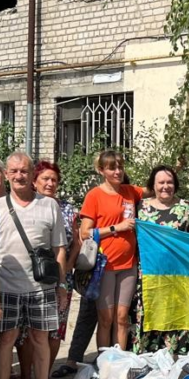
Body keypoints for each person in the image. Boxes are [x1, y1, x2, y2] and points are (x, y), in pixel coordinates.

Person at [0, 152, 69, 379]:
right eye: (14, 171)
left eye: (24, 171)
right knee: (6, 339)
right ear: (7, 175)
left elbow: (59, 248)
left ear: (32, 174)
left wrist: (61, 286)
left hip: (42, 287)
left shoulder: (49, 205)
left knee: (40, 339)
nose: (19, 176)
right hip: (6, 286)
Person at [17, 161, 80, 379]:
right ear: (34, 180)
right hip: (30, 277)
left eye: (54, 179)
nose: (50, 183)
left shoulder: (68, 210)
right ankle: (24, 378)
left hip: (62, 277)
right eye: (45, 179)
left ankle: (44, 376)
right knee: (27, 329)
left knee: (55, 329)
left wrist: (65, 275)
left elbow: (75, 244)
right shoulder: (26, 205)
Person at [78, 150, 143, 350]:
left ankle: (120, 363)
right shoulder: (95, 195)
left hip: (128, 265)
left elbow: (154, 189)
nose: (118, 172)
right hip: (105, 265)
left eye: (120, 167)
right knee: (105, 318)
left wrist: (177, 167)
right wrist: (117, 228)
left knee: (122, 318)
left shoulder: (130, 191)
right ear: (101, 170)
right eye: (112, 168)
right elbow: (85, 232)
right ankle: (104, 363)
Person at [132, 165, 189, 357]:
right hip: (148, 275)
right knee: (150, 313)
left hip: (177, 276)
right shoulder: (141, 207)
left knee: (175, 313)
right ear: (153, 185)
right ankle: (147, 357)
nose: (165, 186)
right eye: (161, 182)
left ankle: (174, 357)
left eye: (169, 182)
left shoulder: (185, 207)